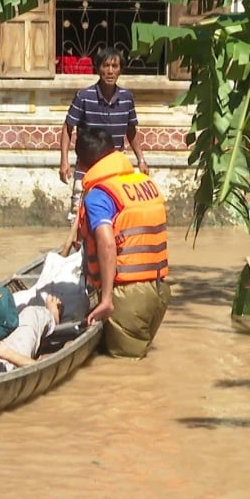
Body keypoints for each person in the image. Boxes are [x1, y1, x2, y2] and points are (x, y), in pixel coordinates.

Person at [75, 128, 171, 358]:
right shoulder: (145, 184)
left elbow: (107, 244)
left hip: (127, 295)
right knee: (140, 362)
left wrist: (106, 299)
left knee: (124, 371)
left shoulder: (100, 195)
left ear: (83, 165)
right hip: (158, 289)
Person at [59, 47, 146, 221]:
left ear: (120, 69)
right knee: (79, 215)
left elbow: (131, 131)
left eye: (115, 66)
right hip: (87, 166)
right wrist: (64, 161)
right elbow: (68, 128)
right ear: (98, 68)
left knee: (116, 214)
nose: (110, 71)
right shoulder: (84, 96)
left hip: (116, 166)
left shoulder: (127, 98)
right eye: (106, 66)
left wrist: (141, 160)